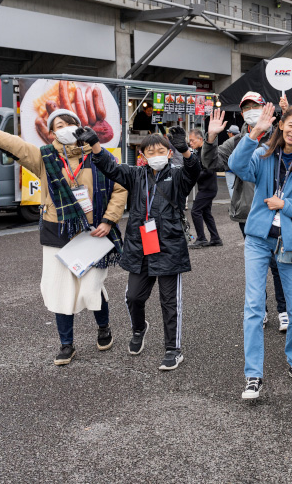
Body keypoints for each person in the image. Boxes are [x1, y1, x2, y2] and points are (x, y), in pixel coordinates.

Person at [0, 110, 127, 366]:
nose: (63, 128)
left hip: (95, 231)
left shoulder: (98, 156)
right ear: (51, 133)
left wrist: (108, 220)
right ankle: (66, 344)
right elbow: (13, 144)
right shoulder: (44, 158)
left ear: (79, 126)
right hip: (57, 230)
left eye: (68, 124)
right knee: (59, 289)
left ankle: (104, 328)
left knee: (91, 288)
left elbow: (119, 187)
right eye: (57, 125)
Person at [77, 125, 201, 371]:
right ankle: (139, 328)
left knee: (169, 302)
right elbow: (109, 167)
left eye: (161, 150)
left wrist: (185, 149)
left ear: (168, 153)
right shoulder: (135, 174)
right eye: (150, 151)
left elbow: (194, 170)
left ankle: (173, 350)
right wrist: (95, 145)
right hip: (140, 245)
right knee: (133, 296)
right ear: (142, 154)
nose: (155, 154)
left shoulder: (177, 175)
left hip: (169, 246)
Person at [228, 103, 292, 400]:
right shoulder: (263, 154)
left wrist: (285, 205)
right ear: (281, 126)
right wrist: (254, 133)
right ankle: (253, 375)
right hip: (258, 240)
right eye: (290, 125)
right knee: (254, 307)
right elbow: (237, 165)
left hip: (290, 244)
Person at [201, 92, 289, 331]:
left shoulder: (278, 136)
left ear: (265, 109)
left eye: (255, 106)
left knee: (278, 262)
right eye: (246, 107)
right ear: (242, 114)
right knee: (257, 263)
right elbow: (211, 163)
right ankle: (261, 310)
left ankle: (284, 310)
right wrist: (210, 137)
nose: (251, 110)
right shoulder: (237, 141)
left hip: (276, 210)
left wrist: (288, 112)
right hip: (247, 212)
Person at [187, 127, 223, 248]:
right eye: (189, 141)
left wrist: (194, 176)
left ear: (200, 139)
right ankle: (215, 238)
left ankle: (201, 238)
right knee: (206, 213)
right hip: (206, 188)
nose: (190, 143)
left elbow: (208, 171)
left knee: (195, 211)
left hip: (208, 188)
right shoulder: (198, 152)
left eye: (192, 141)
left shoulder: (205, 152)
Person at [225, 125, 241, 197]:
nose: (228, 134)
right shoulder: (241, 141)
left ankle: (234, 204)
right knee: (240, 187)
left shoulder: (229, 143)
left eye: (228, 132)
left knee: (231, 186)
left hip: (229, 168)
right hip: (239, 168)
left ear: (231, 133)